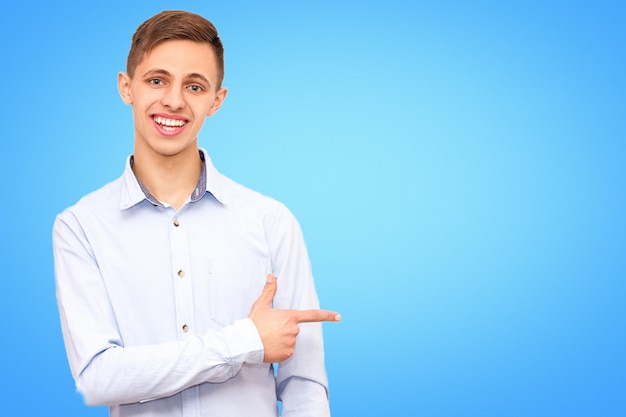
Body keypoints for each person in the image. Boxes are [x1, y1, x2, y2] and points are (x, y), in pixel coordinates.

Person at [52, 10, 340, 417]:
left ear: (216, 100)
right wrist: (246, 340)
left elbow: (304, 385)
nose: (174, 100)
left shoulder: (270, 221)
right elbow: (97, 378)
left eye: (194, 86)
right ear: (126, 87)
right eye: (157, 80)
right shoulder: (81, 227)